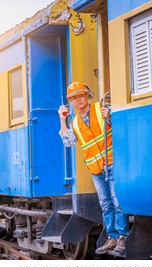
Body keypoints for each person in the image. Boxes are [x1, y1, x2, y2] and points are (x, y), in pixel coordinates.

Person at [58, 81, 129, 254]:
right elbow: (68, 142)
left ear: (87, 95)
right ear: (71, 102)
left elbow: (121, 125)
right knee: (105, 204)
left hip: (113, 163)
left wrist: (110, 116)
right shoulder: (74, 123)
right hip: (96, 169)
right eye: (74, 98)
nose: (78, 100)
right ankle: (111, 238)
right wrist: (62, 120)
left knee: (117, 202)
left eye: (80, 96)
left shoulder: (101, 108)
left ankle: (123, 237)